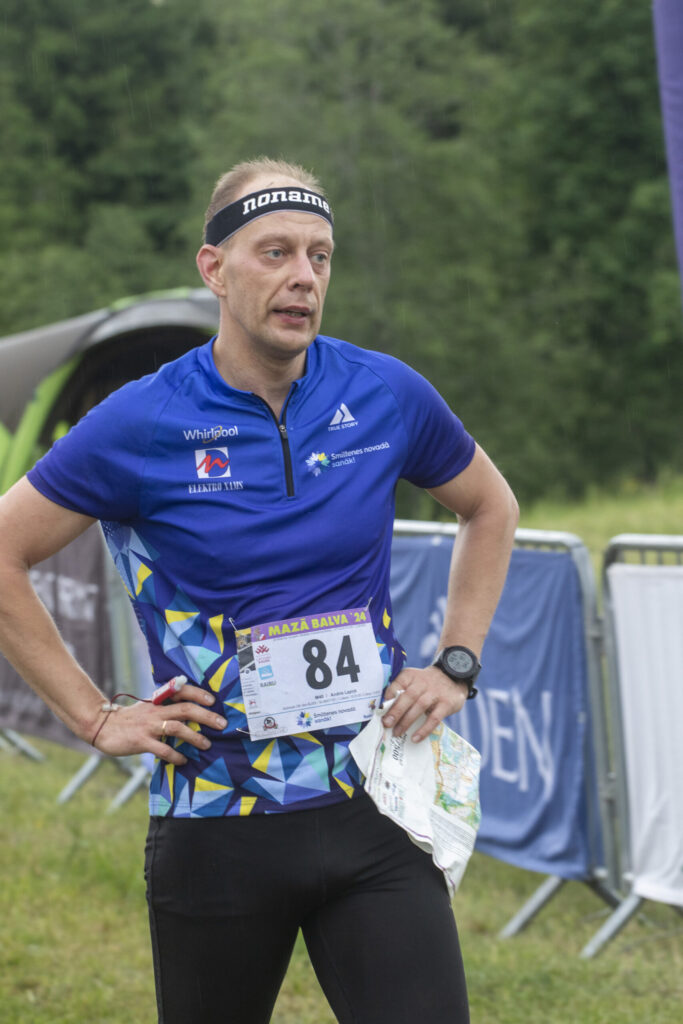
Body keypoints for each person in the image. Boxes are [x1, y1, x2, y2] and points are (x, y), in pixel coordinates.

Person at [0, 157, 519, 1024]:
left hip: (371, 802)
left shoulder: (382, 392)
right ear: (214, 268)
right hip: (218, 815)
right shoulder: (144, 420)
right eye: (274, 252)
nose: (302, 277)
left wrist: (455, 663)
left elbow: (489, 506)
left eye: (319, 256)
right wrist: (93, 717)